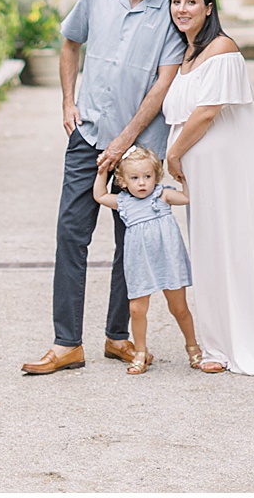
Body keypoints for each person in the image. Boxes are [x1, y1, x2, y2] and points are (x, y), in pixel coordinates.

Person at [21, 0, 186, 376]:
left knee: (130, 244)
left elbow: (162, 85)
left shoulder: (170, 10)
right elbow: (70, 43)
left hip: (139, 156)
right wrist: (67, 101)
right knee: (70, 235)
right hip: (88, 136)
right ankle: (66, 344)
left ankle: (117, 336)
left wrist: (124, 142)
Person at [163, 0, 254, 375]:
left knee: (238, 251)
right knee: (213, 254)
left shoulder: (222, 49)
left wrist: (174, 156)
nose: (182, 9)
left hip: (233, 172)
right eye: (176, 2)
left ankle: (248, 340)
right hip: (207, 175)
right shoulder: (186, 53)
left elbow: (207, 111)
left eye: (191, 2)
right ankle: (219, 343)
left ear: (209, 8)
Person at [93, 145, 205, 375]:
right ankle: (140, 352)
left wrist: (182, 176)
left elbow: (187, 197)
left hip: (167, 260)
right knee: (136, 309)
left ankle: (193, 346)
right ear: (123, 181)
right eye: (135, 178)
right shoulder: (123, 202)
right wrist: (102, 170)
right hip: (140, 263)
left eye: (147, 176)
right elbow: (100, 195)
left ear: (156, 176)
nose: (142, 183)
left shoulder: (162, 195)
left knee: (179, 307)